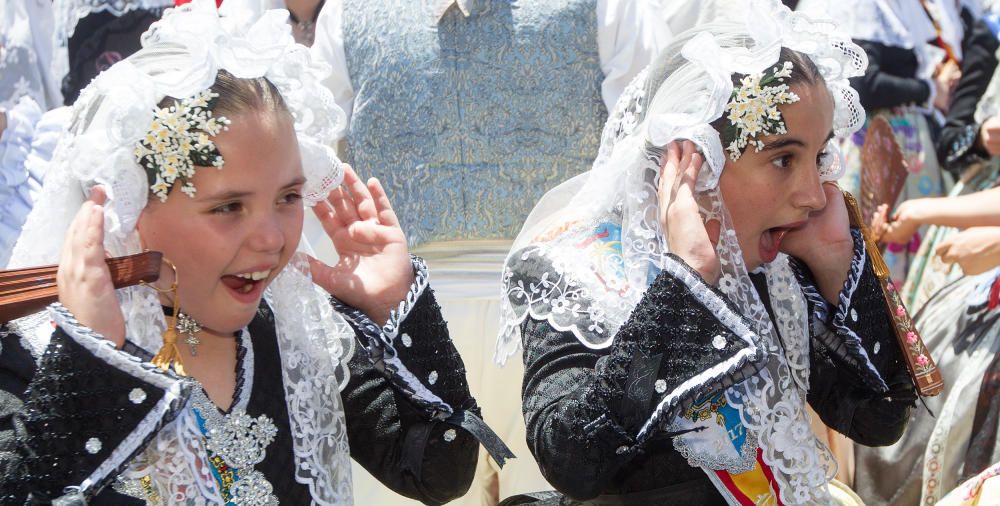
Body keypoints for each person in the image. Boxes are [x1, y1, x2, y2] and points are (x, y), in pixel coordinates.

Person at [0, 1, 499, 502]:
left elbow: (439, 472)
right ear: (126, 211)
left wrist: (399, 308)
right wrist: (92, 364)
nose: (273, 239)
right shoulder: (34, 358)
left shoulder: (296, 332)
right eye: (229, 207)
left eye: (287, 198)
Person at [496, 0, 922, 503]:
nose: (814, 193)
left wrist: (835, 260)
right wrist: (687, 284)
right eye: (784, 158)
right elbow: (571, 457)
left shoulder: (778, 271)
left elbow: (878, 419)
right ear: (695, 161)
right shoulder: (575, 269)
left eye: (820, 155)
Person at [309, 1, 670, 504]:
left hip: (553, 305)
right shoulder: (347, 13)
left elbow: (313, 159)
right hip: (410, 309)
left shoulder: (346, 11)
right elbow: (650, 137)